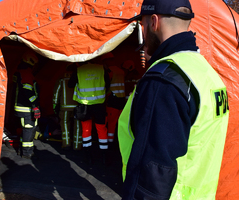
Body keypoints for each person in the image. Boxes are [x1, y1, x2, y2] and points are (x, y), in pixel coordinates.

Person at [118, 0, 229, 199]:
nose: (143, 33)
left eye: (142, 25)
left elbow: (152, 175)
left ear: (153, 22)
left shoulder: (164, 80)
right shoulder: (206, 73)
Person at [68, 59, 110, 164]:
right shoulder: (101, 69)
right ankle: (104, 156)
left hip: (84, 105)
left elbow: (70, 84)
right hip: (99, 104)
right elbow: (108, 84)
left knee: (86, 130)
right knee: (101, 129)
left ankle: (88, 156)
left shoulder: (79, 70)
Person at [13, 50, 41, 159]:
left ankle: (22, 149)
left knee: (25, 130)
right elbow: (28, 91)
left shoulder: (20, 71)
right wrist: (35, 106)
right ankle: (27, 153)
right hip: (26, 109)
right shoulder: (26, 73)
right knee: (29, 130)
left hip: (20, 107)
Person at [53, 63, 82, 150]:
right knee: (77, 126)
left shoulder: (62, 77)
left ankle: (66, 144)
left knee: (65, 124)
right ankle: (77, 146)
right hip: (78, 106)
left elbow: (57, 92)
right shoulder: (79, 76)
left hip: (64, 106)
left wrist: (55, 104)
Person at [101, 53, 126, 144]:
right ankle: (118, 141)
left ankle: (110, 142)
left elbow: (106, 86)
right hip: (121, 99)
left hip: (112, 99)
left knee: (111, 122)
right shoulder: (121, 71)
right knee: (120, 122)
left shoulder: (109, 71)